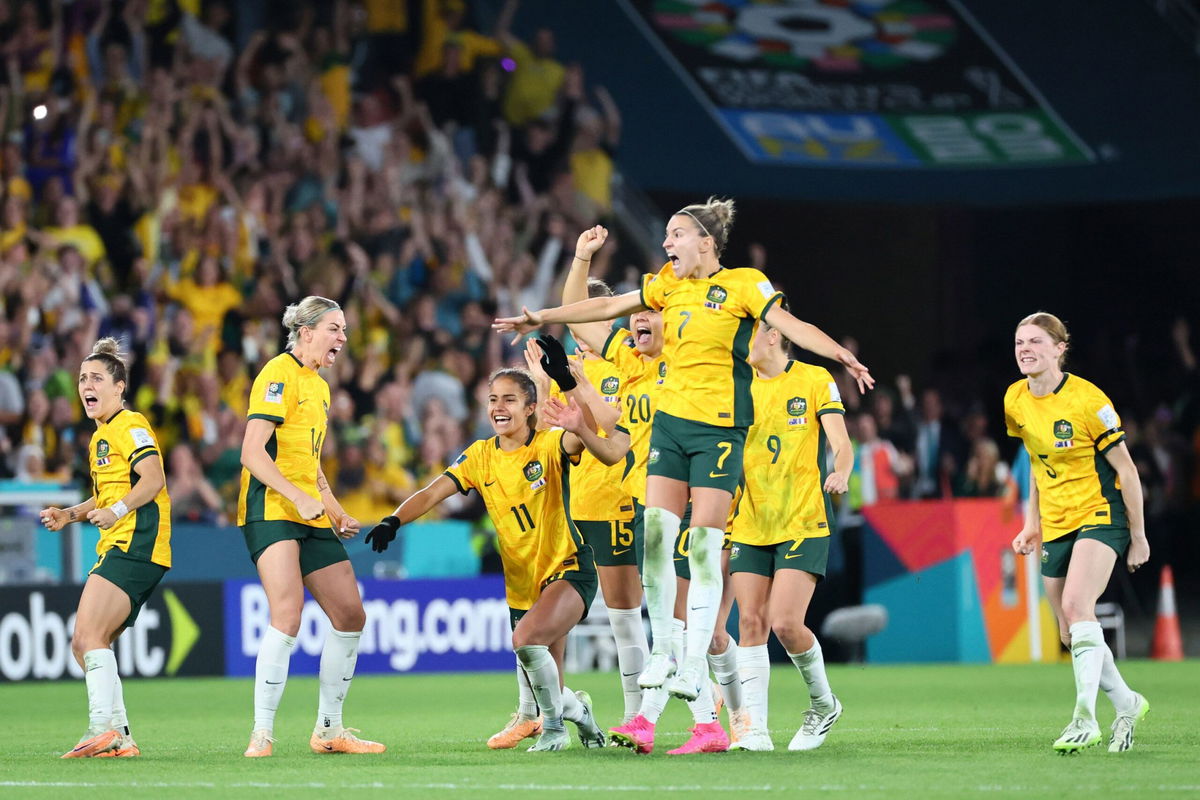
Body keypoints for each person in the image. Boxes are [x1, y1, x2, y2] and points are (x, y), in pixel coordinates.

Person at [495, 200, 872, 754]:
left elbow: (791, 325)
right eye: (666, 234)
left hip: (718, 437)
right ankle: (674, 671)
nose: (666, 243)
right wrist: (540, 317)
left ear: (706, 241)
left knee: (703, 561)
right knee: (657, 540)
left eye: (676, 234)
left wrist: (842, 355)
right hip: (671, 437)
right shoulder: (662, 295)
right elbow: (599, 311)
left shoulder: (742, 287)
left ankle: (697, 682)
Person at [365, 342, 630, 752]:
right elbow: (433, 492)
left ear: (530, 408)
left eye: (510, 399)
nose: (498, 406)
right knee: (550, 681)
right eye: (493, 399)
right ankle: (582, 716)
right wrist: (393, 520)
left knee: (525, 639)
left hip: (569, 568)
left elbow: (599, 440)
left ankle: (554, 730)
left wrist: (578, 419)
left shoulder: (549, 444)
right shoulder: (480, 456)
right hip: (522, 583)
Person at [237, 296, 385, 758]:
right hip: (271, 508)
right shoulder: (277, 374)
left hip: (308, 511)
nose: (343, 337)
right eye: (335, 328)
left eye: (344, 329)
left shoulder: (319, 387)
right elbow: (252, 452)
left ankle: (329, 729)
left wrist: (334, 508)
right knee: (288, 613)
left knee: (350, 614)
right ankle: (261, 733)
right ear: (306, 332)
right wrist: (298, 497)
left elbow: (312, 465)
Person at [1006, 312, 1151, 754]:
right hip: (1056, 522)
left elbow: (1126, 468)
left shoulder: (1089, 401)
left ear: (1058, 349)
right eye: (1018, 343)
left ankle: (1083, 719)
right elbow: (1036, 461)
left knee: (1076, 604)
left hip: (1100, 514)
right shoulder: (1015, 398)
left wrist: (1139, 535)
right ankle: (1127, 703)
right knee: (1071, 632)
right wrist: (1032, 522)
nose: (1025, 349)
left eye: (1034, 341)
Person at [40, 338, 173, 758]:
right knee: (85, 646)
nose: (85, 385)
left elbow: (152, 480)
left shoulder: (130, 424)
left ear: (119, 387)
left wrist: (117, 511)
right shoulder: (101, 436)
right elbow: (106, 494)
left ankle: (102, 728)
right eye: (82, 379)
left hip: (137, 542)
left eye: (96, 378)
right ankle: (122, 736)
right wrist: (71, 514)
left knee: (87, 634)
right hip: (120, 544)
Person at [728, 310, 852, 752]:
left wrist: (840, 472)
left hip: (803, 518)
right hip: (749, 519)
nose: (741, 344)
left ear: (774, 336)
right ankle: (755, 729)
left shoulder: (814, 380)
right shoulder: (735, 387)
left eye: (749, 335)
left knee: (784, 623)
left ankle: (823, 704)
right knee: (749, 621)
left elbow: (841, 442)